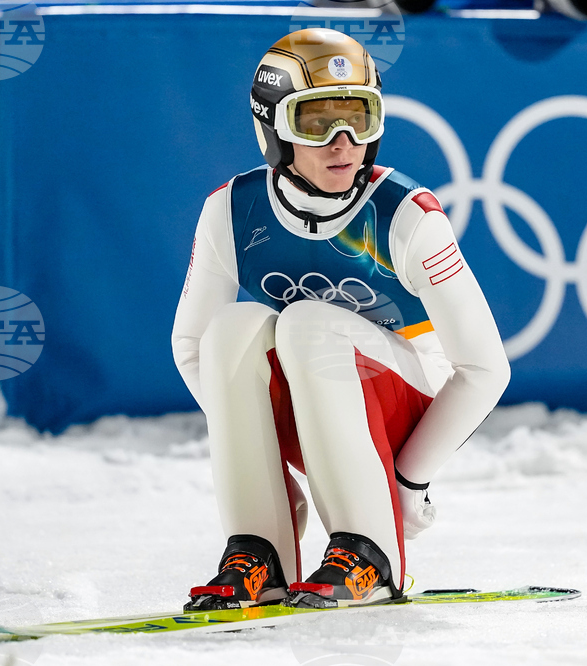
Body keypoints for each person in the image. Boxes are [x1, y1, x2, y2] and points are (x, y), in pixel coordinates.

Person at [171, 28, 509, 610]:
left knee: (306, 323)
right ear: (273, 130)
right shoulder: (231, 209)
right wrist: (260, 454)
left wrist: (409, 479)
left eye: (359, 118)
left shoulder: (405, 215)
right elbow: (191, 348)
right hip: (315, 403)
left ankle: (370, 551)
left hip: (404, 409)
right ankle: (259, 550)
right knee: (229, 331)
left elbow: (484, 368)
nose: (343, 143)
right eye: (315, 122)